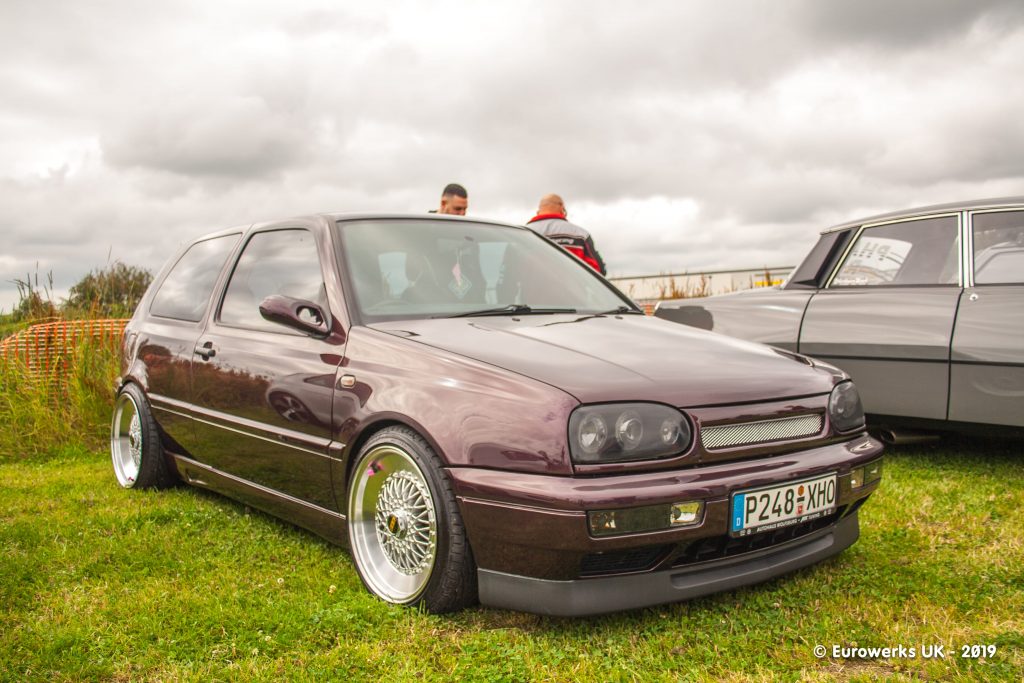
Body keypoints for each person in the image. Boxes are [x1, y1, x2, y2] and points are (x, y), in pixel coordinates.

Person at [526, 194, 606, 275]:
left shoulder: (524, 233)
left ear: (539, 211)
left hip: (532, 287)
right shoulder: (580, 234)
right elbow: (599, 270)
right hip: (571, 287)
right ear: (562, 207)